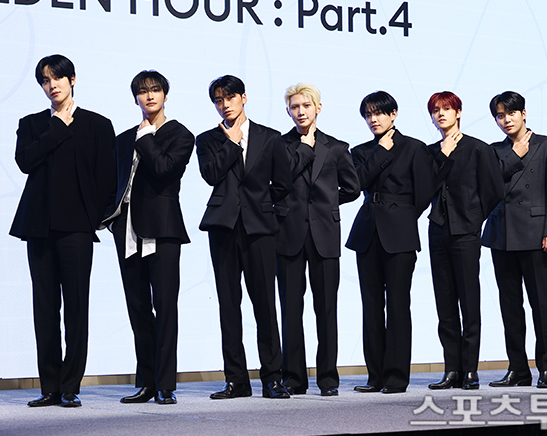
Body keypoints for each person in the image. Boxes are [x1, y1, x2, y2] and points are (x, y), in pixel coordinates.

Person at [10, 54, 116, 407]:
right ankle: (50, 387)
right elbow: (25, 161)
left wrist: (91, 219)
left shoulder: (98, 124)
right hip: (39, 228)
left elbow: (107, 179)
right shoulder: (32, 124)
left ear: (72, 79)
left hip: (77, 232)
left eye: (57, 78)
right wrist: (57, 127)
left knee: (76, 308)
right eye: (45, 80)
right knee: (44, 310)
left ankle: (70, 387)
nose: (51, 85)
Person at [195, 75, 292, 399]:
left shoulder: (270, 137)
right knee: (228, 305)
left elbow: (283, 184)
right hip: (222, 228)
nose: (225, 105)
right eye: (218, 100)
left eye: (230, 97)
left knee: (265, 305)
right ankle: (236, 380)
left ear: (244, 98)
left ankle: (272, 379)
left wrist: (262, 207)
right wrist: (232, 142)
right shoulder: (208, 139)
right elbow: (211, 174)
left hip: (259, 229)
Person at [105, 70, 194, 405]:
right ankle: (146, 382)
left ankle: (165, 384)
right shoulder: (122, 138)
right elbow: (111, 182)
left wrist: (145, 137)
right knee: (138, 307)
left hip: (163, 229)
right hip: (127, 228)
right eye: (143, 91)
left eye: (155, 90)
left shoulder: (181, 134)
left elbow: (164, 169)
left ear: (165, 95)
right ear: (136, 98)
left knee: (165, 307)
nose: (149, 96)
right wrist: (110, 219)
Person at [346, 91, 434, 394]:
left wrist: (402, 216)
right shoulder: (360, 151)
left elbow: (424, 193)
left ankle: (396, 377)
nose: (373, 119)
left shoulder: (414, 147)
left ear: (393, 114)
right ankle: (375, 377)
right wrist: (382, 151)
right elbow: (357, 184)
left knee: (398, 306)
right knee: (370, 307)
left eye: (379, 113)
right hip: (367, 232)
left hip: (400, 234)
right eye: (368, 115)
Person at [275, 83, 360, 397]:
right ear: (288, 111)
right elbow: (278, 183)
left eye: (306, 106)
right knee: (290, 310)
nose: (301, 112)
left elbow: (352, 188)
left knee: (326, 309)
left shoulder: (336, 147)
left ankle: (328, 378)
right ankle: (293, 378)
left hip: (325, 233)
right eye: (295, 107)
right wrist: (304, 149)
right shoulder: (279, 144)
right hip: (288, 234)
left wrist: (327, 204)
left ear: (318, 108)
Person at [482, 91, 547, 389]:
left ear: (524, 113)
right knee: (510, 306)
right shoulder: (494, 151)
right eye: (500, 116)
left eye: (511, 113)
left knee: (541, 305)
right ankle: (517, 368)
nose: (506, 120)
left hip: (536, 234)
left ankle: (546, 369)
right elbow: (489, 185)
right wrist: (514, 155)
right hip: (501, 234)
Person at [425, 92, 502, 390]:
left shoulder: (478, 148)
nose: (441, 114)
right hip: (438, 230)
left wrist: (473, 218)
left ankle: (470, 370)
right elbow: (427, 188)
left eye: (447, 108)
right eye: (436, 110)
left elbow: (494, 191)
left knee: (469, 302)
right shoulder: (431, 152)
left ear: (458, 112)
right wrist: (443, 155)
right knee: (444, 303)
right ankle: (452, 370)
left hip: (466, 231)